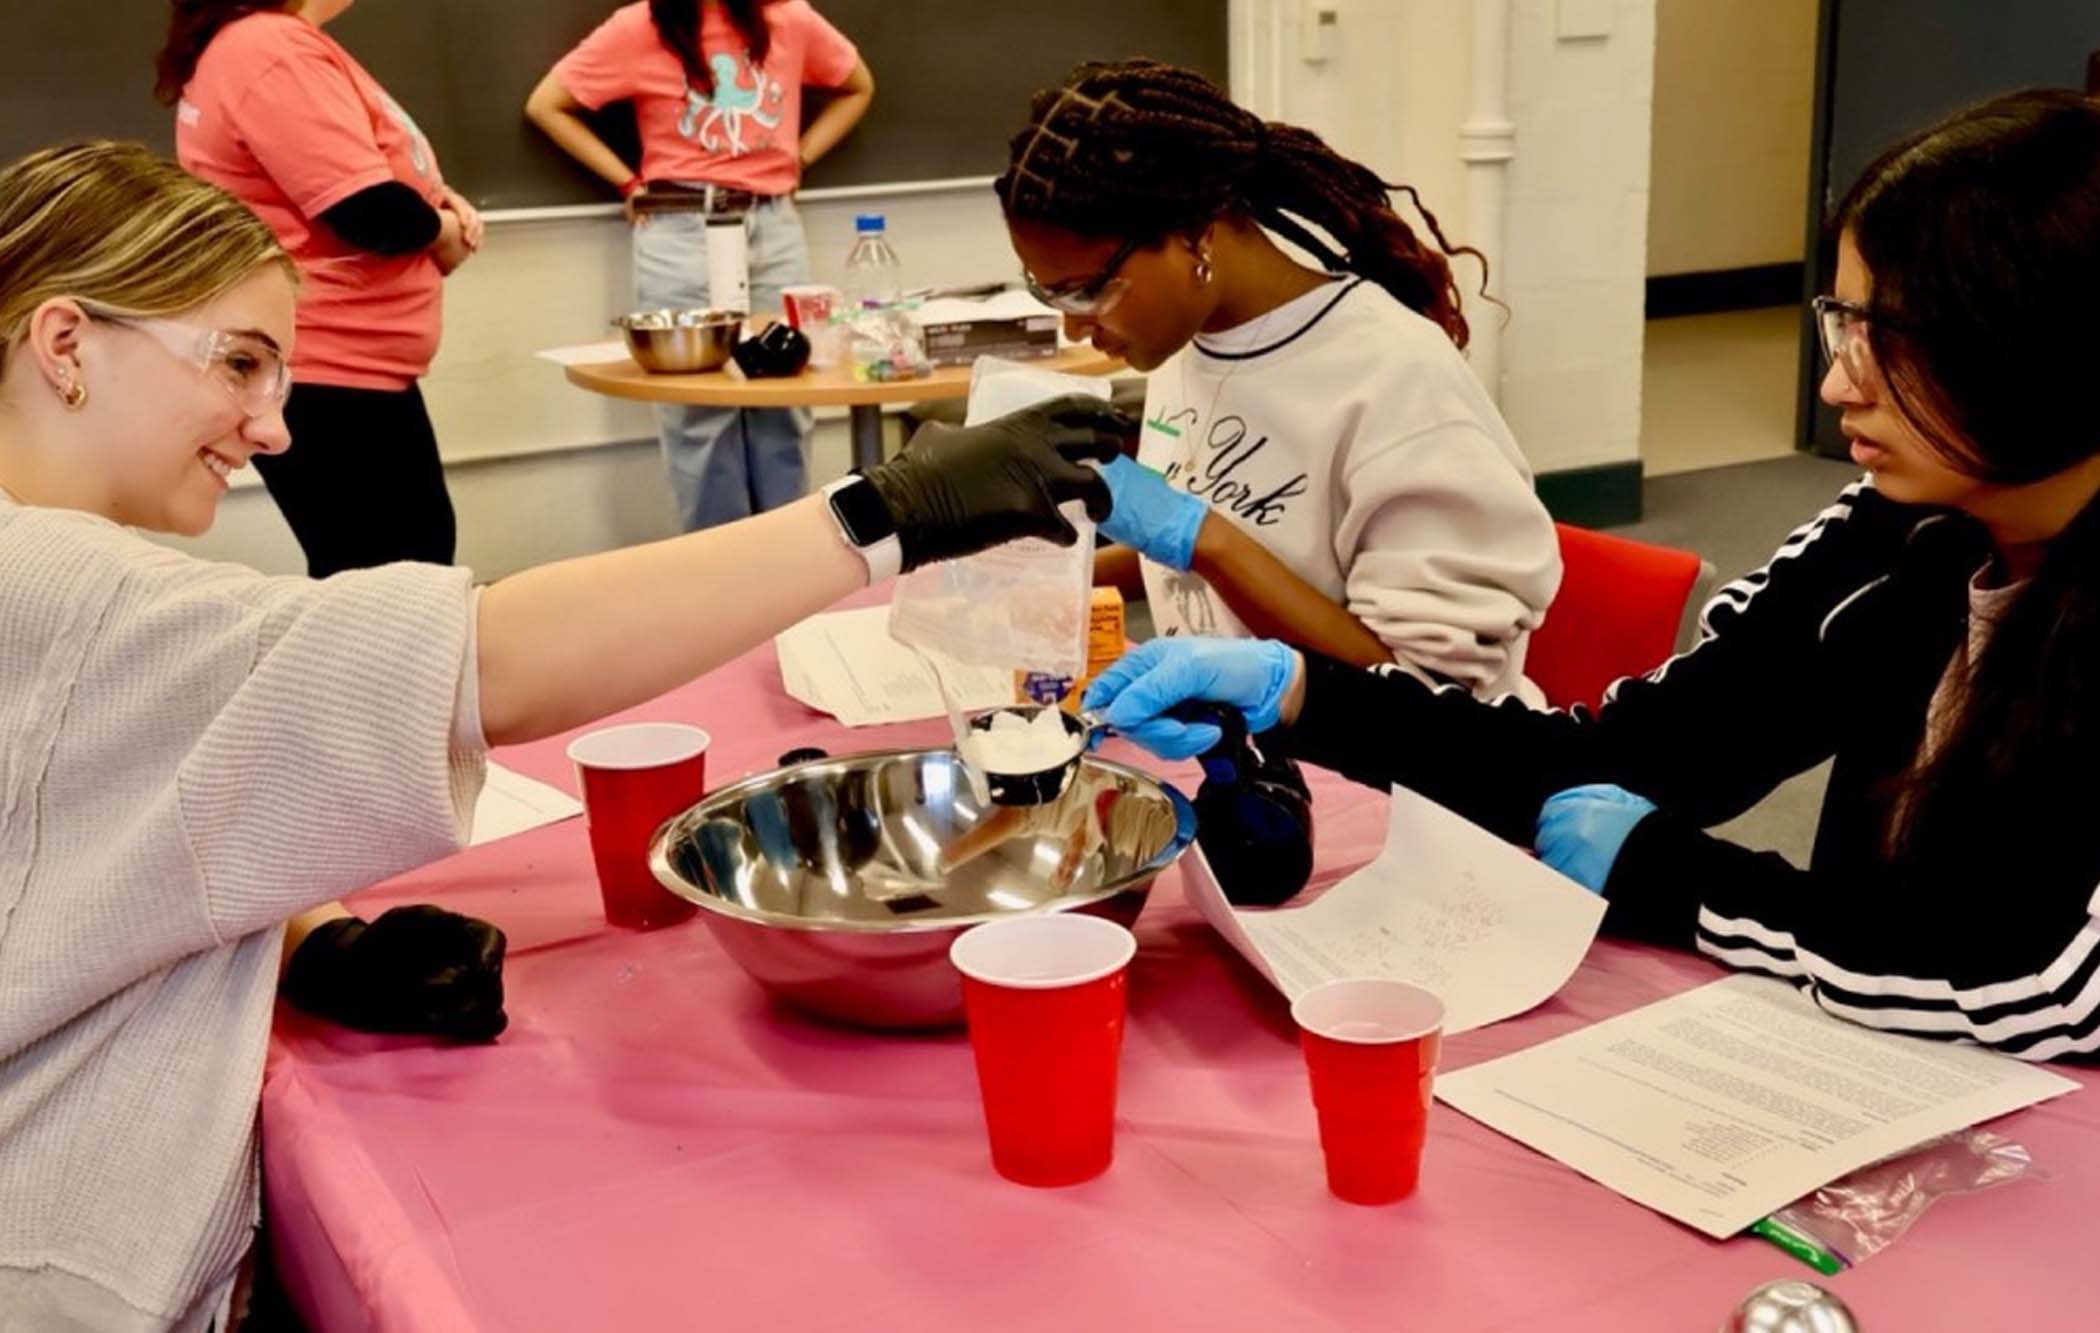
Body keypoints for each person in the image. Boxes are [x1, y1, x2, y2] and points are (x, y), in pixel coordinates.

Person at [0, 140, 1120, 1330]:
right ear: (66, 343)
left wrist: (309, 938)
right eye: (238, 364)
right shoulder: (61, 590)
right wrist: (885, 514)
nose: (271, 431)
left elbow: (74, 840)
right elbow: (489, 659)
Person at [1082, 90, 2100, 1063]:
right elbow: (1627, 756)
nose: (1839, 379)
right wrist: (1302, 693)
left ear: (2038, 352)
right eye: (1843, 326)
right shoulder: (1898, 535)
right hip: (1890, 1066)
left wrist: (1678, 875)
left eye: (1888, 340)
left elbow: (2047, 988)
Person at [997, 59, 1560, 697]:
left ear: (1193, 241)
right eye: (1053, 295)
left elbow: (1424, 694)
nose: (1074, 329)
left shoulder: (1397, 380)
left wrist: (1204, 539)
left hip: (1404, 773)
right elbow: (1229, 547)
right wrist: (1044, 576)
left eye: (1090, 292)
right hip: (1256, 752)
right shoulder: (1190, 342)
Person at [527, 0, 875, 531]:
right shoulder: (640, 26)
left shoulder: (789, 18)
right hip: (681, 225)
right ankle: (723, 576)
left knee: (785, 399)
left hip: (772, 222)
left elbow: (857, 85)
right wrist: (628, 182)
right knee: (697, 413)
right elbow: (548, 104)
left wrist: (798, 158)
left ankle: (792, 562)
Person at [160, 0, 478, 578]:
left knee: (398, 568)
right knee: (393, 579)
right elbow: (372, 211)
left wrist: (436, 203)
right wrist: (445, 229)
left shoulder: (271, 43)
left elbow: (367, 175)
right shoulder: (270, 50)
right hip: (327, 366)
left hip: (347, 367)